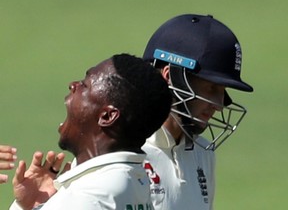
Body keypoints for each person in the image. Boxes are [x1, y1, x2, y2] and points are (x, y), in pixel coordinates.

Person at [10, 53, 172, 210]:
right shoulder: (131, 181)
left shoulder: (87, 197)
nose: (73, 85)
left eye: (85, 85)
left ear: (107, 116)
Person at [141, 14, 253, 210]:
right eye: (211, 88)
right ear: (170, 76)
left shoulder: (203, 153)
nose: (219, 105)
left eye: (223, 91)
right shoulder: (120, 149)